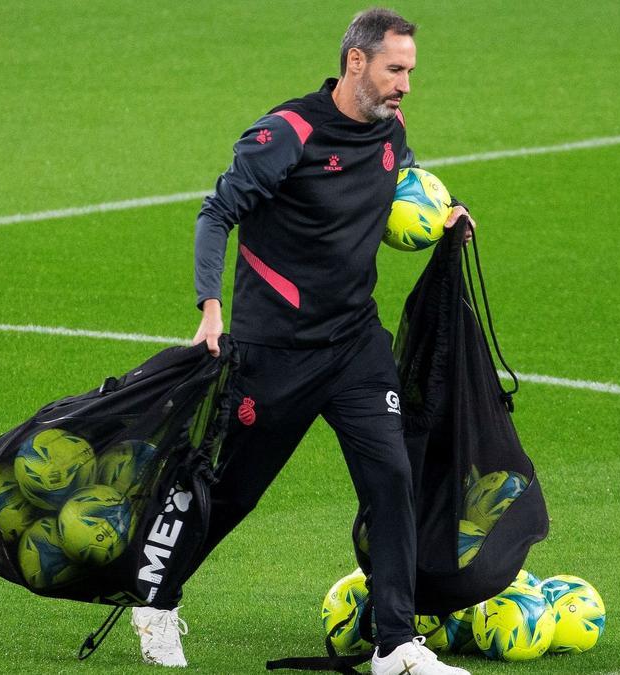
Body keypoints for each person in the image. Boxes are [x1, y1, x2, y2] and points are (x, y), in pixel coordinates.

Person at [129, 9, 472, 674]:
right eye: (394, 69)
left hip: (353, 345)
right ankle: (156, 598)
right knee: (232, 492)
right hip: (274, 352)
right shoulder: (287, 134)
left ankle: (396, 643)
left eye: (410, 70)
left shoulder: (390, 128)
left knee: (391, 477)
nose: (406, 84)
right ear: (356, 63)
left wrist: (446, 208)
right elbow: (216, 213)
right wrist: (209, 307)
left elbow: (406, 175)